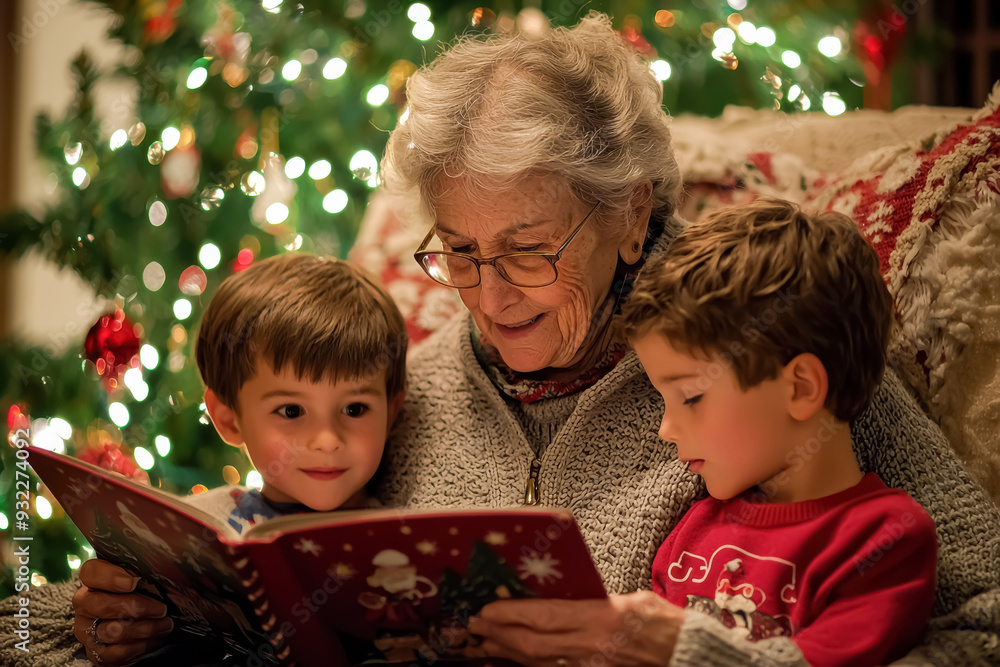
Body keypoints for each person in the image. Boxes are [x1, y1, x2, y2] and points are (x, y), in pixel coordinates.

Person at [10, 11, 998, 667]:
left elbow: (982, 618)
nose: (489, 294)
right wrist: (111, 612)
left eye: (527, 250)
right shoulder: (397, 389)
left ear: (630, 210)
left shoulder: (762, 354)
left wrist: (684, 655)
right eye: (458, 251)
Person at [622, 198, 937, 666]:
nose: (666, 430)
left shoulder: (885, 541)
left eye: (690, 396)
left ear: (801, 387)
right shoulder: (693, 532)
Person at [75, 253, 408, 664]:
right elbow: (111, 613)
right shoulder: (188, 528)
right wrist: (116, 614)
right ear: (229, 419)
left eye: (355, 409)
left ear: (392, 412)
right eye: (291, 411)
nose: (326, 440)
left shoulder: (412, 538)